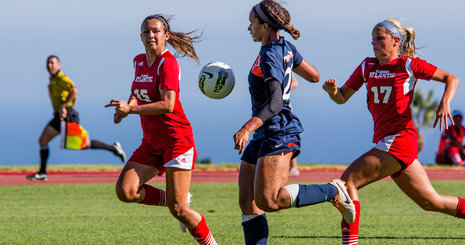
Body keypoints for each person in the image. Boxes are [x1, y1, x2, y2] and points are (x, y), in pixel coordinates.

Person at [322, 19, 465, 244]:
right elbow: (342, 97)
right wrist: (332, 92)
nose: (374, 43)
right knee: (431, 202)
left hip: (399, 140)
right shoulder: (367, 66)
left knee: (348, 182)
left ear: (396, 41)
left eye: (380, 37)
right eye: (373, 38)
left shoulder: (409, 65)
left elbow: (452, 79)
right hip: (390, 143)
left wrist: (445, 102)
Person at [234, 1, 355, 244]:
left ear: (265, 26)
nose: (248, 27)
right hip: (265, 132)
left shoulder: (270, 55)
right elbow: (314, 76)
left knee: (268, 200)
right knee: (248, 200)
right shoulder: (284, 46)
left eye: (252, 22)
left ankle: (333, 191)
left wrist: (247, 127)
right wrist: (290, 64)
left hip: (278, 132)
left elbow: (276, 103)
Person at [104, 14, 217, 245]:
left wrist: (132, 110)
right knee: (125, 191)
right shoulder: (138, 61)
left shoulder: (168, 63)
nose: (151, 35)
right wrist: (125, 109)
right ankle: (179, 199)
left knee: (179, 210)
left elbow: (168, 105)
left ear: (166, 36)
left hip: (177, 141)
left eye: (156, 31)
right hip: (151, 143)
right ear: (141, 36)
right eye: (146, 31)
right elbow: (138, 93)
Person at [26, 55, 126, 181]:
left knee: (83, 144)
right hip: (59, 116)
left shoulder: (62, 78)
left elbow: (74, 91)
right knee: (43, 141)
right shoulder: (53, 79)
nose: (49, 65)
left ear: (59, 65)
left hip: (66, 116)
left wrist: (65, 106)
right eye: (48, 63)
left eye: (52, 63)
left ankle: (113, 148)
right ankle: (42, 173)